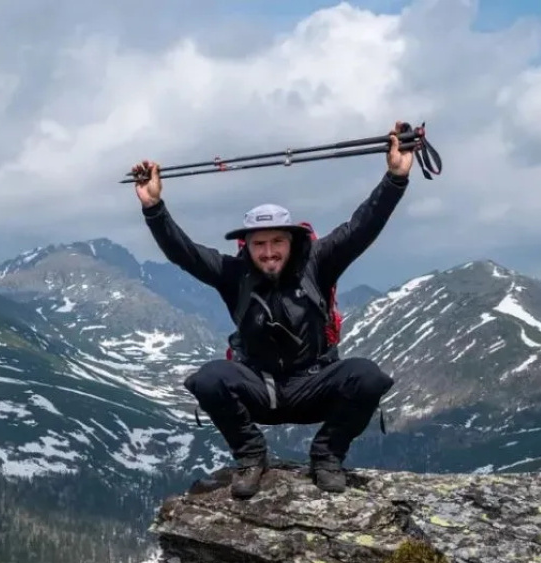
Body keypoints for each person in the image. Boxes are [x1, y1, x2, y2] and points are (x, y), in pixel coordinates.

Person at [130, 121, 414, 498]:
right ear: (246, 246)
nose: (268, 251)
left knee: (368, 377)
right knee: (208, 379)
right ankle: (251, 456)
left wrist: (395, 178)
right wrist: (153, 208)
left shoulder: (320, 262)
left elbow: (362, 227)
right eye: (259, 243)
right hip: (258, 388)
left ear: (293, 241)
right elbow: (184, 253)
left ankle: (327, 455)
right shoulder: (233, 274)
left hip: (314, 385)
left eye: (277, 241)